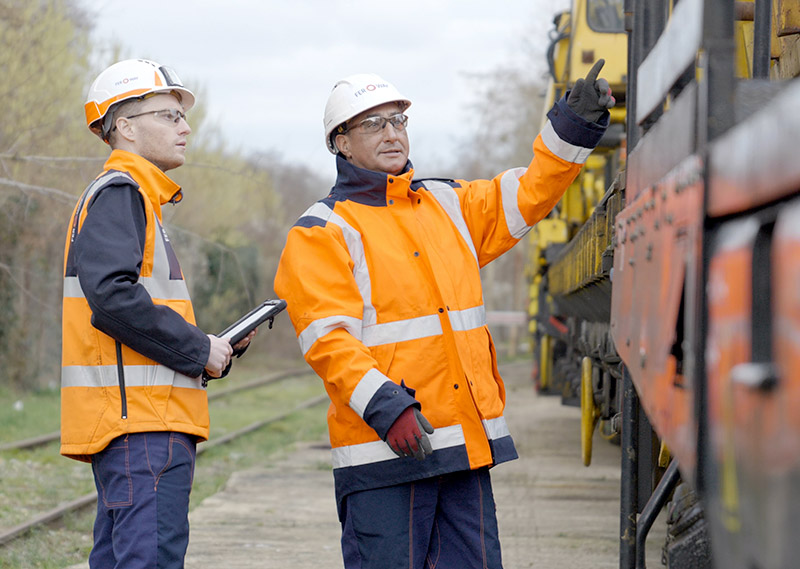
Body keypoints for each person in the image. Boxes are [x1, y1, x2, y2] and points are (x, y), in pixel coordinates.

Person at [273, 62, 614, 569]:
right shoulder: (321, 231)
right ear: (340, 142)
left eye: (398, 121)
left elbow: (531, 190)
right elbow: (329, 341)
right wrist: (388, 407)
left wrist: (570, 127)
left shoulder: (448, 204)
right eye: (373, 124)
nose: (392, 134)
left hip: (462, 449)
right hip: (384, 455)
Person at [61, 58, 253, 569]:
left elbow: (123, 300)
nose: (185, 126)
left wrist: (211, 345)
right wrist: (197, 349)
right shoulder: (122, 193)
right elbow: (112, 297)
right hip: (143, 427)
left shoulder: (135, 198)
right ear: (124, 126)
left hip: (141, 425)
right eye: (169, 115)